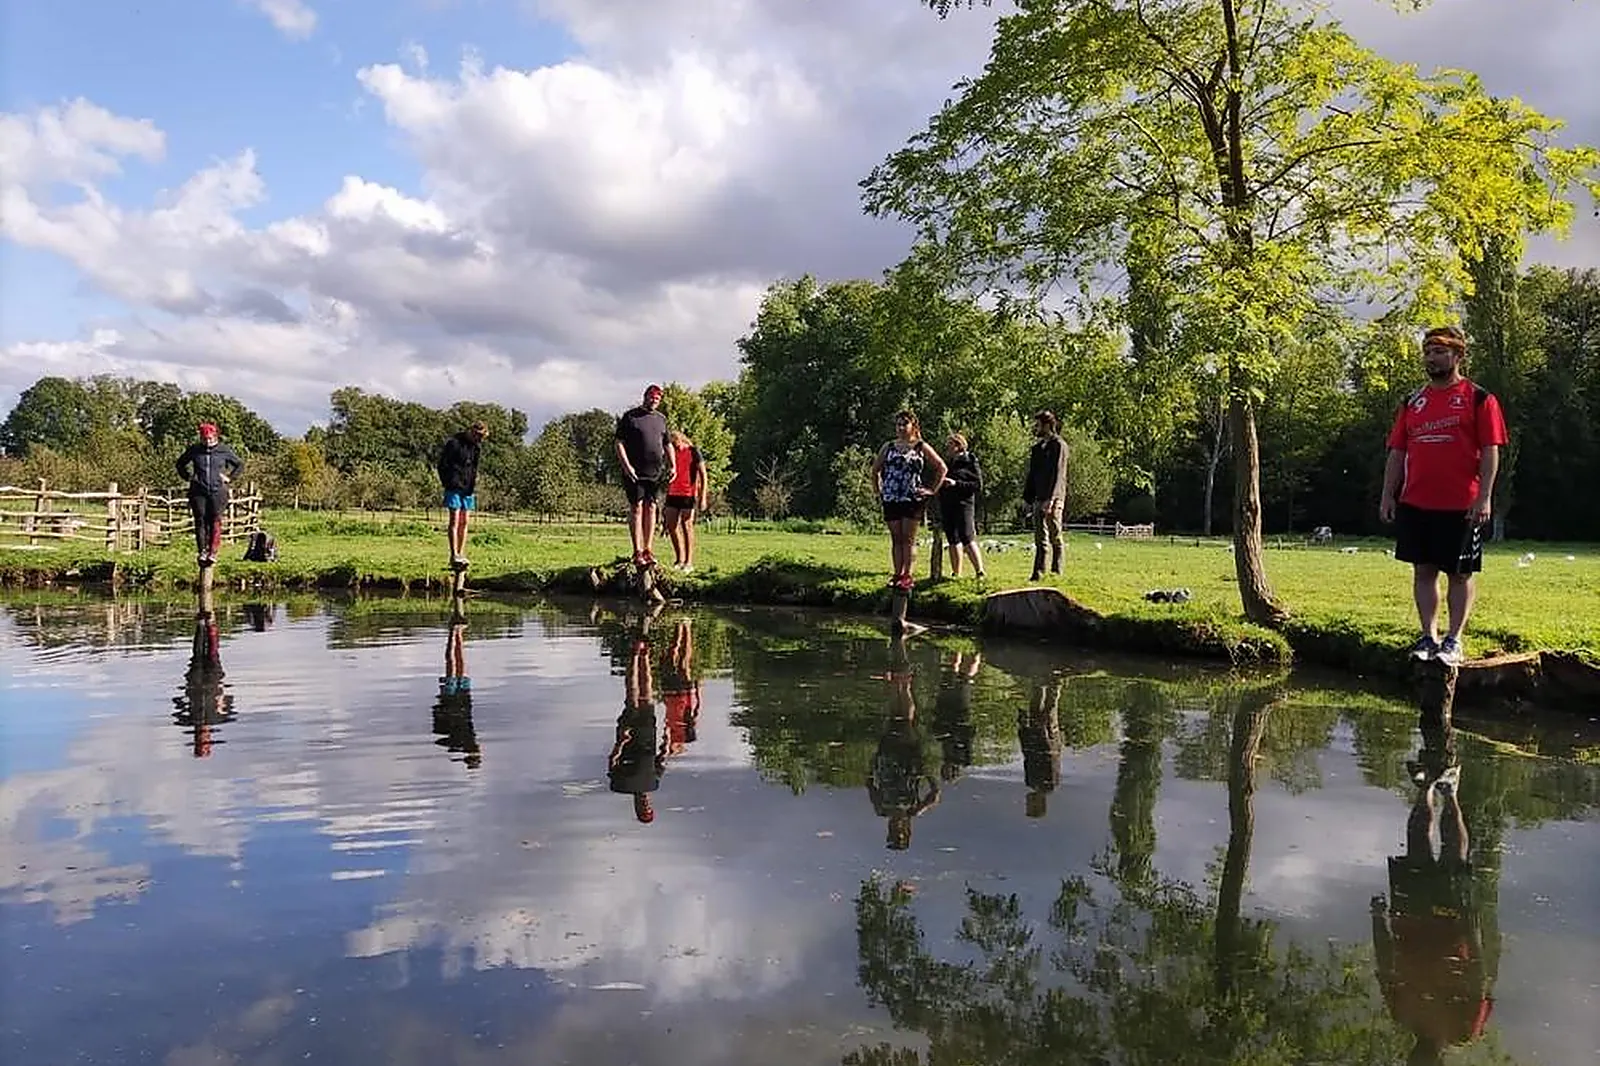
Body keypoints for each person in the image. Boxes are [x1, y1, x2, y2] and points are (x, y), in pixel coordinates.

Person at [1371, 684, 1497, 1066]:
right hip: (1453, 927)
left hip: (1409, 920)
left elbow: (1385, 966)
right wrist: (1474, 934)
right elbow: (1479, 978)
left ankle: (1427, 789)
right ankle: (1450, 792)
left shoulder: (1401, 1014)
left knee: (1416, 845)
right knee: (1455, 856)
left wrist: (1379, 920)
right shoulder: (1463, 1029)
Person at [1379, 326, 1509, 667]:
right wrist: (1387, 495)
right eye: (1427, 352)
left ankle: (1454, 640)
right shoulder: (1413, 401)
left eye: (1439, 351)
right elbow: (1396, 451)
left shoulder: (1480, 398)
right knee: (1423, 570)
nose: (1431, 358)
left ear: (1457, 355)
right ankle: (1428, 636)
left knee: (1460, 574)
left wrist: (1484, 497)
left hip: (1462, 505)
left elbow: (1491, 450)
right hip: (1416, 501)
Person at [867, 636, 940, 850]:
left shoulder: (882, 808)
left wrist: (874, 763)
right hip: (907, 757)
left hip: (888, 756)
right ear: (907, 828)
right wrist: (926, 772)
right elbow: (935, 795)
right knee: (905, 720)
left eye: (894, 831)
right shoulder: (913, 809)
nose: (897, 827)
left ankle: (898, 676)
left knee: (894, 718)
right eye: (900, 831)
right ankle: (904, 681)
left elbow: (870, 784)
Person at [871, 410, 948, 591]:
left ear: (913, 426)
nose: (900, 428)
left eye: (904, 424)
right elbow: (875, 470)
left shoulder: (921, 446)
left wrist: (931, 490)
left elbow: (941, 467)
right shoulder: (888, 447)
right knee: (896, 538)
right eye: (898, 424)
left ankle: (907, 575)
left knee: (908, 538)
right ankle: (897, 574)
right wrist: (878, 491)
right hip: (891, 497)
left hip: (912, 497)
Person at [614, 384, 674, 568]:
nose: (653, 401)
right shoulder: (630, 417)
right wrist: (626, 466)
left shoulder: (661, 419)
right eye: (651, 397)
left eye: (657, 399)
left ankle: (648, 549)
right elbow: (618, 443)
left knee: (652, 507)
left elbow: (668, 444)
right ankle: (637, 551)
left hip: (654, 472)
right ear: (645, 396)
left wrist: (673, 465)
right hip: (634, 471)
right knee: (637, 507)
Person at [170, 586, 234, 757]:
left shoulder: (187, 721)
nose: (203, 736)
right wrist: (223, 700)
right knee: (212, 656)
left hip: (195, 684)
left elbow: (176, 704)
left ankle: (202, 624)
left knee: (198, 654)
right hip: (210, 684)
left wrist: (184, 695)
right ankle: (210, 624)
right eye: (204, 740)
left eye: (202, 741)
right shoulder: (219, 719)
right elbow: (232, 707)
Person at [608, 634, 666, 824]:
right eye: (648, 807)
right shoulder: (653, 783)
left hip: (629, 736)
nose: (646, 804)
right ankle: (645, 656)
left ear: (637, 807)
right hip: (649, 735)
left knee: (632, 695)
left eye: (643, 808)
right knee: (648, 693)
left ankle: (634, 654)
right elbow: (660, 761)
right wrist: (667, 742)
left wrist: (621, 742)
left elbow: (612, 762)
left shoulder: (621, 784)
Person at [175, 422, 244, 568]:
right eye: (205, 439)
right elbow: (180, 463)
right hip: (198, 490)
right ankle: (202, 551)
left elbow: (239, 464)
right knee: (200, 520)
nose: (208, 442)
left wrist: (229, 478)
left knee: (215, 520)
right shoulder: (195, 450)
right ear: (201, 438)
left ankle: (213, 551)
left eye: (211, 439)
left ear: (216, 437)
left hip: (218, 491)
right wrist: (188, 477)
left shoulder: (223, 450)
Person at [1022, 410, 1069, 582]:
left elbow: (1059, 473)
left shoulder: (1059, 446)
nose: (1036, 428)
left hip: (1054, 497)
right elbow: (1032, 475)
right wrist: (1027, 498)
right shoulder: (1037, 449)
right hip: (1038, 497)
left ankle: (1056, 572)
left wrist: (1052, 498)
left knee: (1055, 534)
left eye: (1038, 424)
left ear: (1048, 425)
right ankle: (1038, 572)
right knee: (1039, 537)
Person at [437, 421, 489, 569]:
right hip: (454, 487)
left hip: (468, 489)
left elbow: (474, 469)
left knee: (464, 521)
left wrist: (472, 485)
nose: (480, 440)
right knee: (454, 520)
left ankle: (461, 553)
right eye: (479, 436)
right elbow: (442, 465)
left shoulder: (476, 448)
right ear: (472, 431)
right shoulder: (453, 443)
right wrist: (448, 482)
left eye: (482, 438)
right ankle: (453, 555)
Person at [432, 616, 481, 769]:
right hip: (462, 701)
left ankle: (454, 633)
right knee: (458, 664)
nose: (479, 749)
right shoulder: (465, 741)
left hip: (453, 700)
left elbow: (440, 726)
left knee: (452, 664)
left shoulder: (458, 743)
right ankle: (458, 633)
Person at [937, 433, 986, 579]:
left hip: (964, 504)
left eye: (950, 444)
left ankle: (980, 571)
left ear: (958, 446)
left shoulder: (970, 460)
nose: (947, 447)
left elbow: (977, 485)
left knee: (967, 536)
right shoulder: (947, 463)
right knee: (952, 537)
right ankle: (956, 573)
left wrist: (956, 484)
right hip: (947, 504)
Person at [661, 430, 708, 572]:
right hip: (673, 492)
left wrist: (702, 496)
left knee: (687, 525)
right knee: (671, 525)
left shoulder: (694, 451)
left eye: (675, 444)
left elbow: (703, 475)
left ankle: (689, 562)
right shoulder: (670, 454)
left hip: (688, 492)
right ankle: (679, 559)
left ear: (680, 440)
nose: (674, 448)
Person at [1018, 678, 1063, 819]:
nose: (1026, 802)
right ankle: (1057, 676)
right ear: (1039, 803)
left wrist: (1023, 730)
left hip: (1034, 736)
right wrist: (1045, 734)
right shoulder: (1050, 785)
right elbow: (1051, 758)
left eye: (1027, 805)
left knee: (1035, 704)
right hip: (1047, 735)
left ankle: (1039, 676)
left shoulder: (1030, 783)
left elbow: (1027, 756)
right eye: (1030, 805)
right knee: (1050, 706)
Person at [661, 618, 701, 757]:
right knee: (683, 663)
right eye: (676, 749)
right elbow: (694, 714)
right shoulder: (688, 736)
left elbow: (666, 727)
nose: (674, 749)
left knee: (669, 659)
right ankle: (687, 626)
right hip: (683, 697)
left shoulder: (668, 739)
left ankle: (678, 626)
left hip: (670, 696)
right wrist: (697, 692)